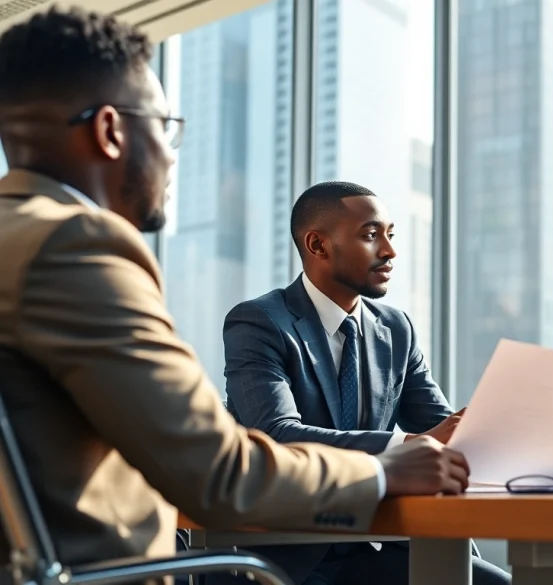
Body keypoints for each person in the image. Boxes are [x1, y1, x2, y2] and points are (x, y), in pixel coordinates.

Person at [0, 5, 471, 574]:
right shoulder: (76, 245)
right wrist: (385, 467)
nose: (173, 156)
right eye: (167, 128)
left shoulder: (18, 235)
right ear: (110, 131)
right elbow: (217, 472)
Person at [219, 181, 510, 585]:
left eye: (390, 235)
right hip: (292, 555)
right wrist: (405, 447)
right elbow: (275, 434)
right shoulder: (259, 323)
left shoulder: (395, 329)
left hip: (384, 543)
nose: (389, 251)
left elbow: (442, 429)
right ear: (317, 245)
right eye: (371, 235)